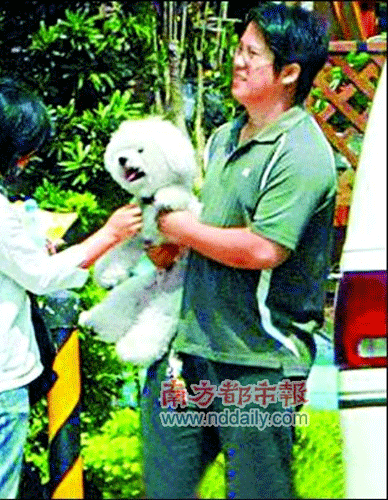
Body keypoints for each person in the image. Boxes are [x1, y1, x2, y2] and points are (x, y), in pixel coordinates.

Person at [143, 3, 336, 498]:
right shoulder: (223, 138)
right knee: (164, 488)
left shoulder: (301, 152)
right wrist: (172, 248)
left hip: (259, 365)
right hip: (190, 354)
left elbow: (263, 249)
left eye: (253, 54)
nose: (237, 61)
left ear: (289, 73)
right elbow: (210, 230)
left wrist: (182, 229)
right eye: (240, 49)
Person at [0, 77, 142, 499]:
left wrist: (26, 244)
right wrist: (110, 234)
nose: (28, 160)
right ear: (6, 151)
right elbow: (43, 277)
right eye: (25, 151)